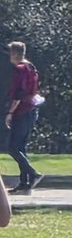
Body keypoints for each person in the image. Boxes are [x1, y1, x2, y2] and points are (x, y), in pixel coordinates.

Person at [5, 41, 42, 194]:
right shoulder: (30, 67)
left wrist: (10, 113)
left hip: (22, 111)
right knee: (20, 147)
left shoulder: (20, 69)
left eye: (10, 53)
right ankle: (24, 182)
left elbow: (19, 93)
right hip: (31, 110)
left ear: (14, 53)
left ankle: (33, 173)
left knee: (12, 148)